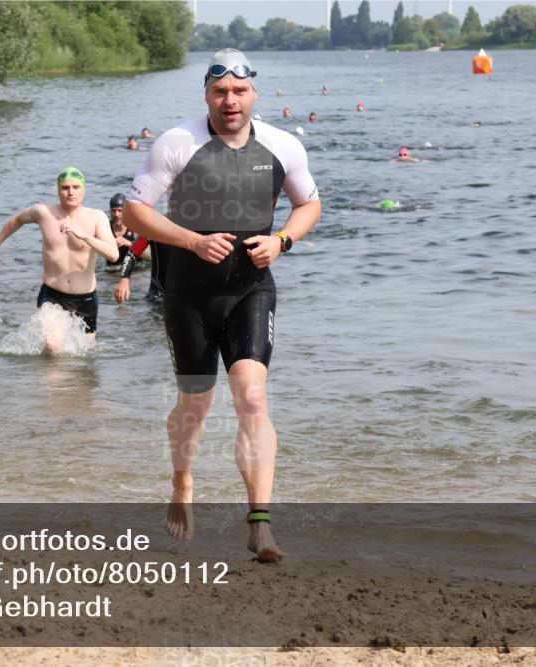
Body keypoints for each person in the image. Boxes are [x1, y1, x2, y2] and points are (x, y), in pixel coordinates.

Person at [122, 48, 321, 562]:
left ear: (254, 93)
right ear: (206, 95)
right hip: (188, 293)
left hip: (252, 288)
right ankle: (183, 482)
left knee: (253, 398)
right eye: (219, 91)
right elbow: (135, 212)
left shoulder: (282, 145)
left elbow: (310, 204)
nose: (229, 100)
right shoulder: (178, 142)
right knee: (197, 403)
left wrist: (282, 242)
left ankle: (260, 523)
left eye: (239, 91)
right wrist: (190, 241)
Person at [0, 167, 118, 346]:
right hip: (52, 295)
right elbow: (17, 220)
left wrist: (85, 237)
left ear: (84, 189)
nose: (70, 192)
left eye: (75, 187)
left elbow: (113, 255)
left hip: (85, 299)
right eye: (65, 188)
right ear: (58, 190)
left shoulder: (97, 217)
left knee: (85, 361)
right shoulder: (44, 212)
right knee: (51, 345)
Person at [114, 235, 170, 303]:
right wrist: (124, 279)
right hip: (157, 295)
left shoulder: (185, 232)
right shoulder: (154, 230)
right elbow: (132, 253)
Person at [107, 192, 137, 267]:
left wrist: (128, 243)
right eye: (114, 211)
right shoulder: (106, 227)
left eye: (120, 210)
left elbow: (149, 256)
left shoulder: (135, 227)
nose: (116, 214)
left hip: (135, 269)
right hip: (112, 270)